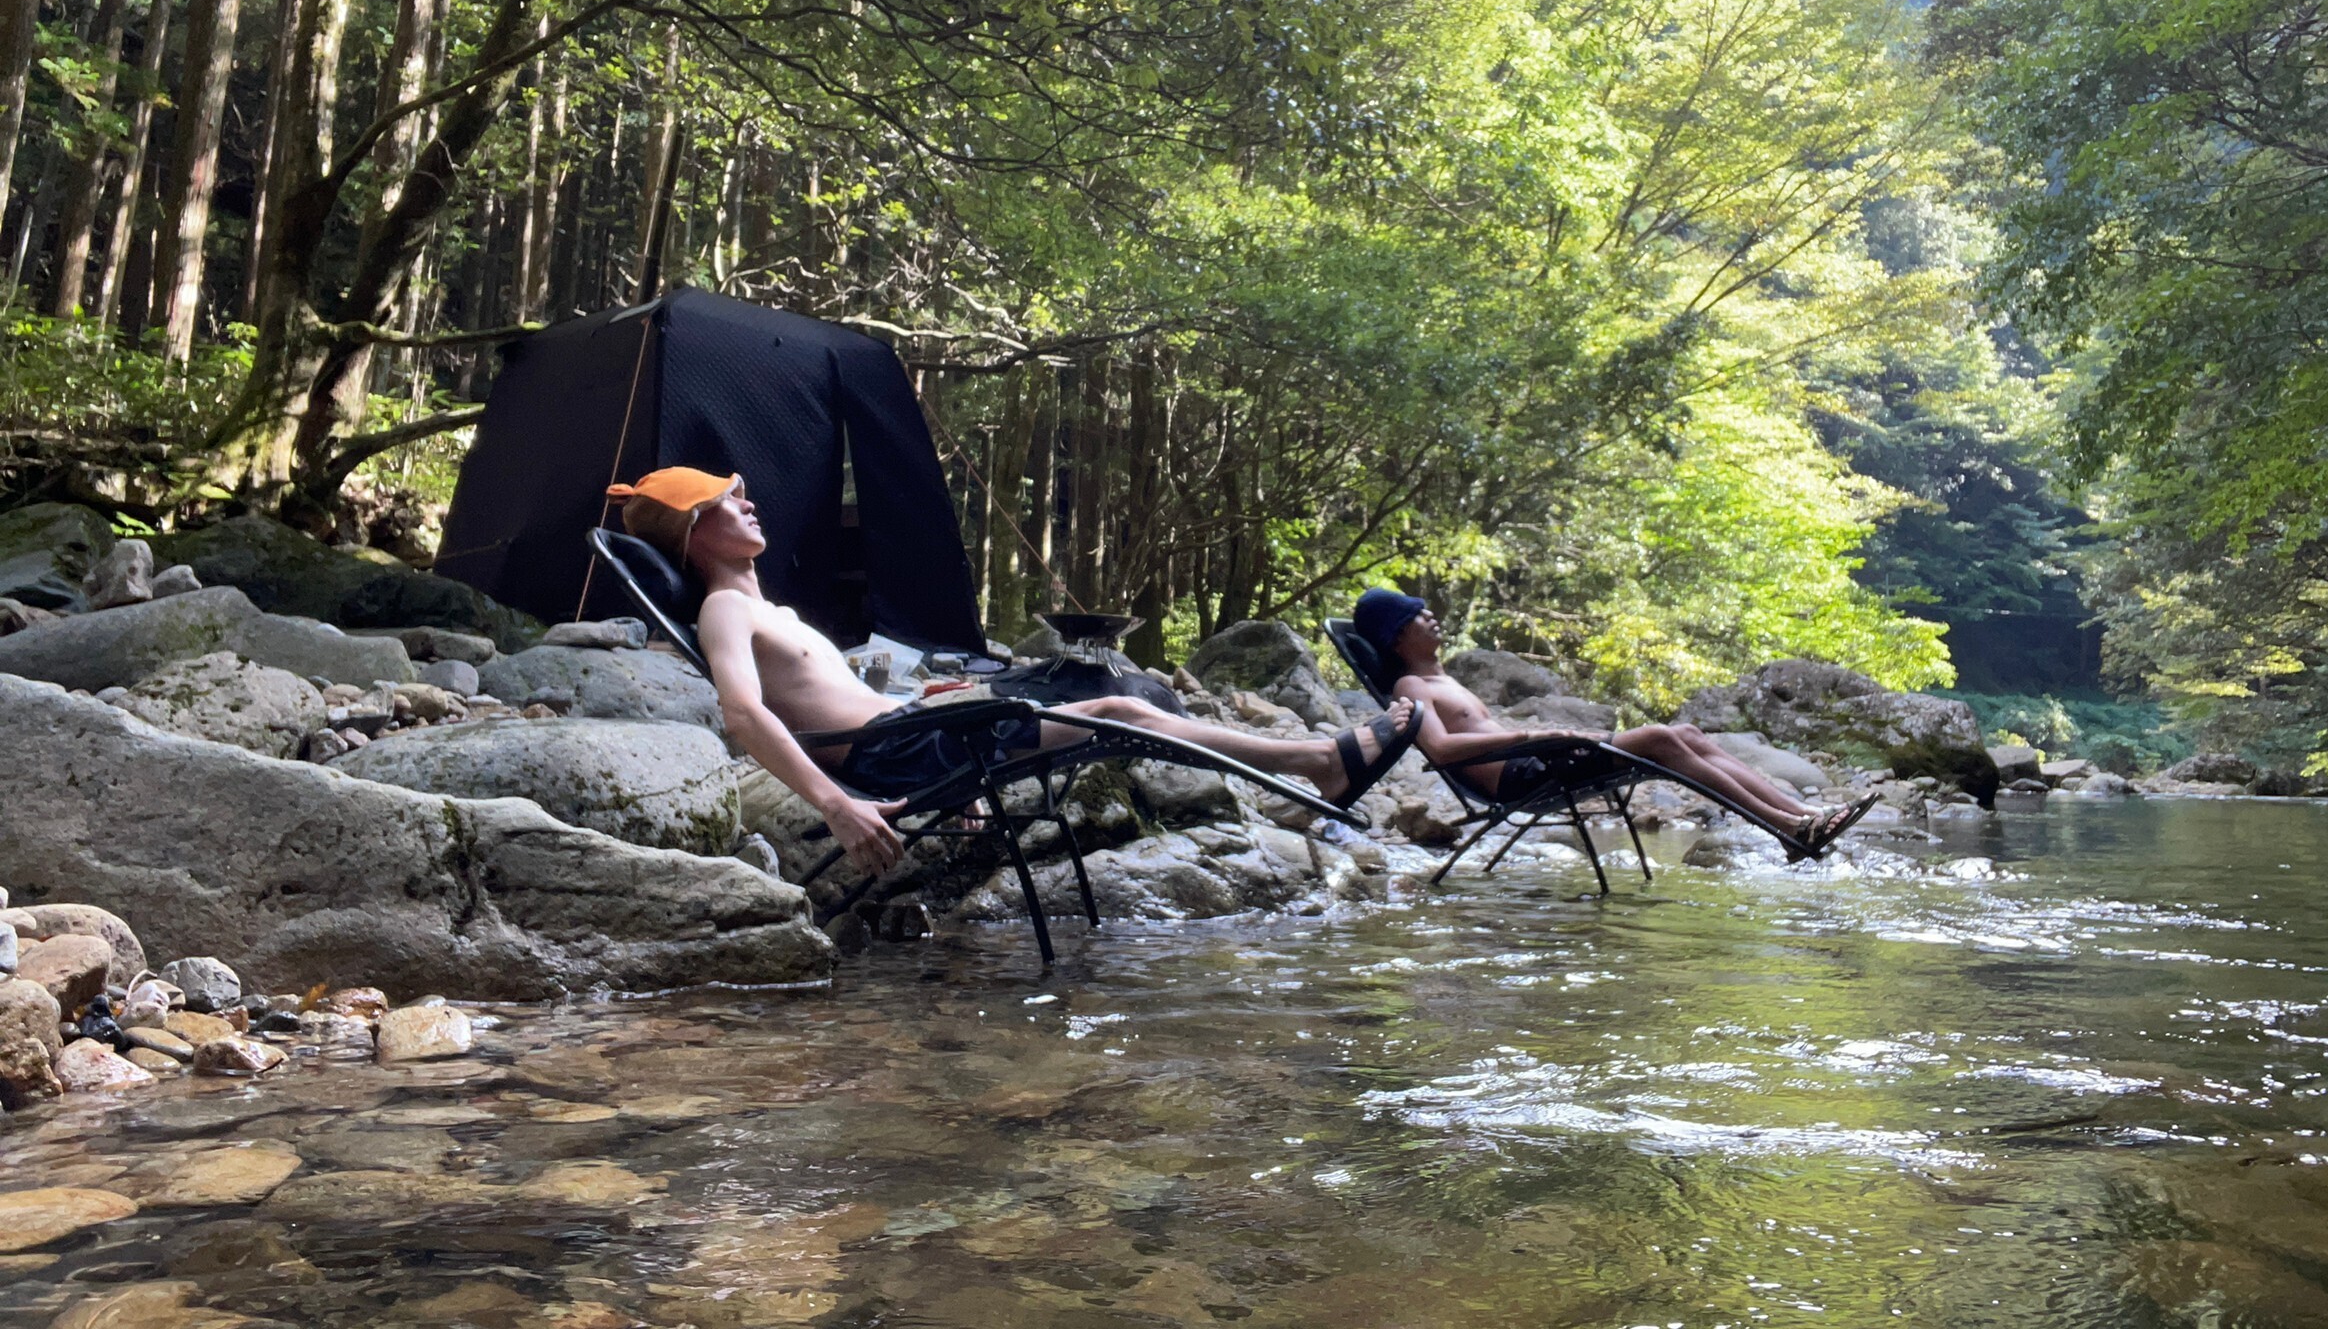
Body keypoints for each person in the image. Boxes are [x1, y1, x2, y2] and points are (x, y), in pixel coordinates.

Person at [606, 467, 1423, 878]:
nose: (749, 504)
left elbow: (828, 697)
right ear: (693, 531)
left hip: (916, 732)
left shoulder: (770, 608)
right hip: (898, 758)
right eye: (728, 501)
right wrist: (840, 806)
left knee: (1099, 688)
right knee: (1120, 711)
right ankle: (1318, 765)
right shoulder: (725, 609)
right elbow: (745, 718)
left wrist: (929, 699)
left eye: (744, 494)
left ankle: (1303, 774)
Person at [1350, 587, 1875, 857]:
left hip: (1542, 759)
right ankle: (1789, 828)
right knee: (1663, 739)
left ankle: (1800, 814)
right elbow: (1441, 751)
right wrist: (1538, 734)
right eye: (1417, 615)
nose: (1430, 616)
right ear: (1397, 636)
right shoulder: (1411, 688)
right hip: (1523, 774)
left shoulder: (1444, 680)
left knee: (1686, 735)